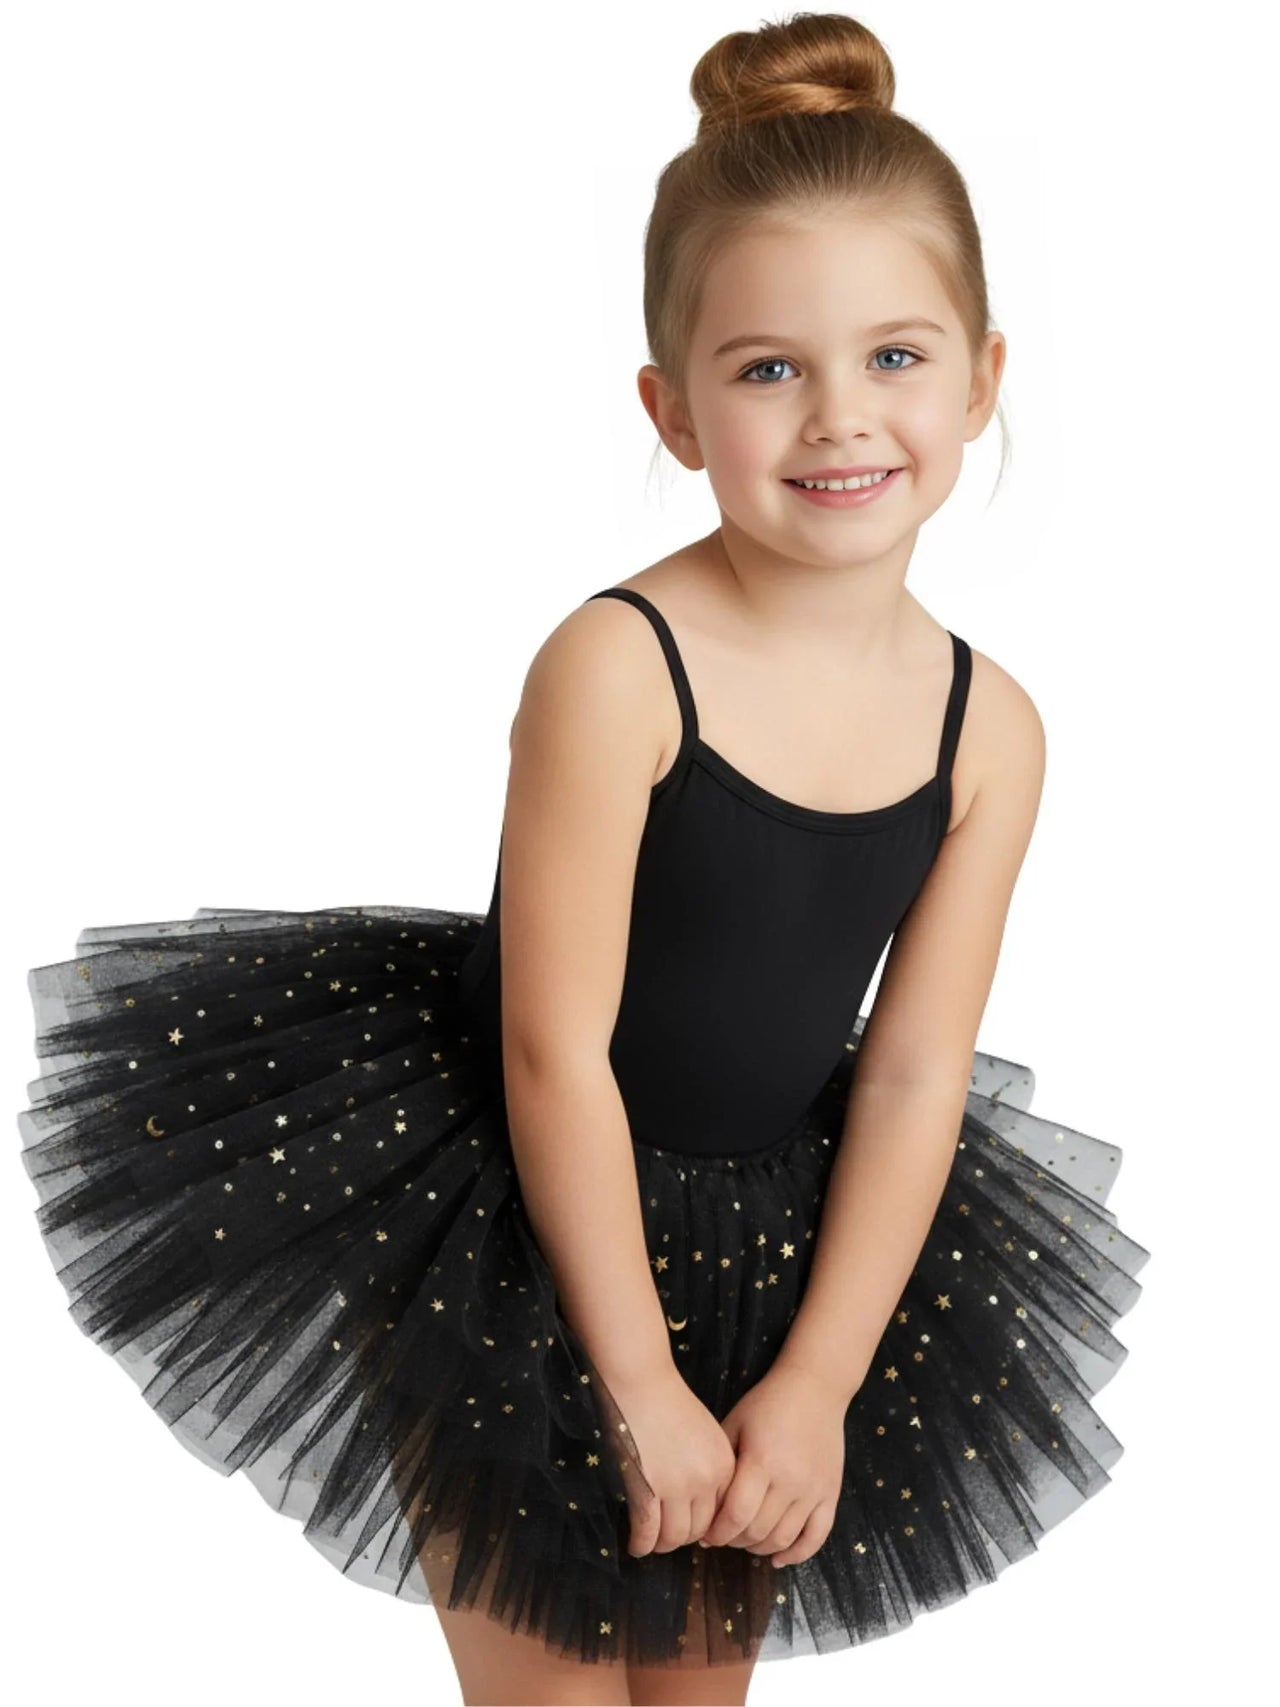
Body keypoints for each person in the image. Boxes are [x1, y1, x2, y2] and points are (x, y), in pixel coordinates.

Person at [16, 11, 1150, 1706]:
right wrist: (633, 1378)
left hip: (774, 1255)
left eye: (896, 358)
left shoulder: (992, 730)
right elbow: (553, 1049)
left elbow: (913, 1074)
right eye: (769, 368)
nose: (841, 418)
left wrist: (818, 1378)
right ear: (675, 409)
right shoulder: (619, 666)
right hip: (518, 1231)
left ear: (985, 375)